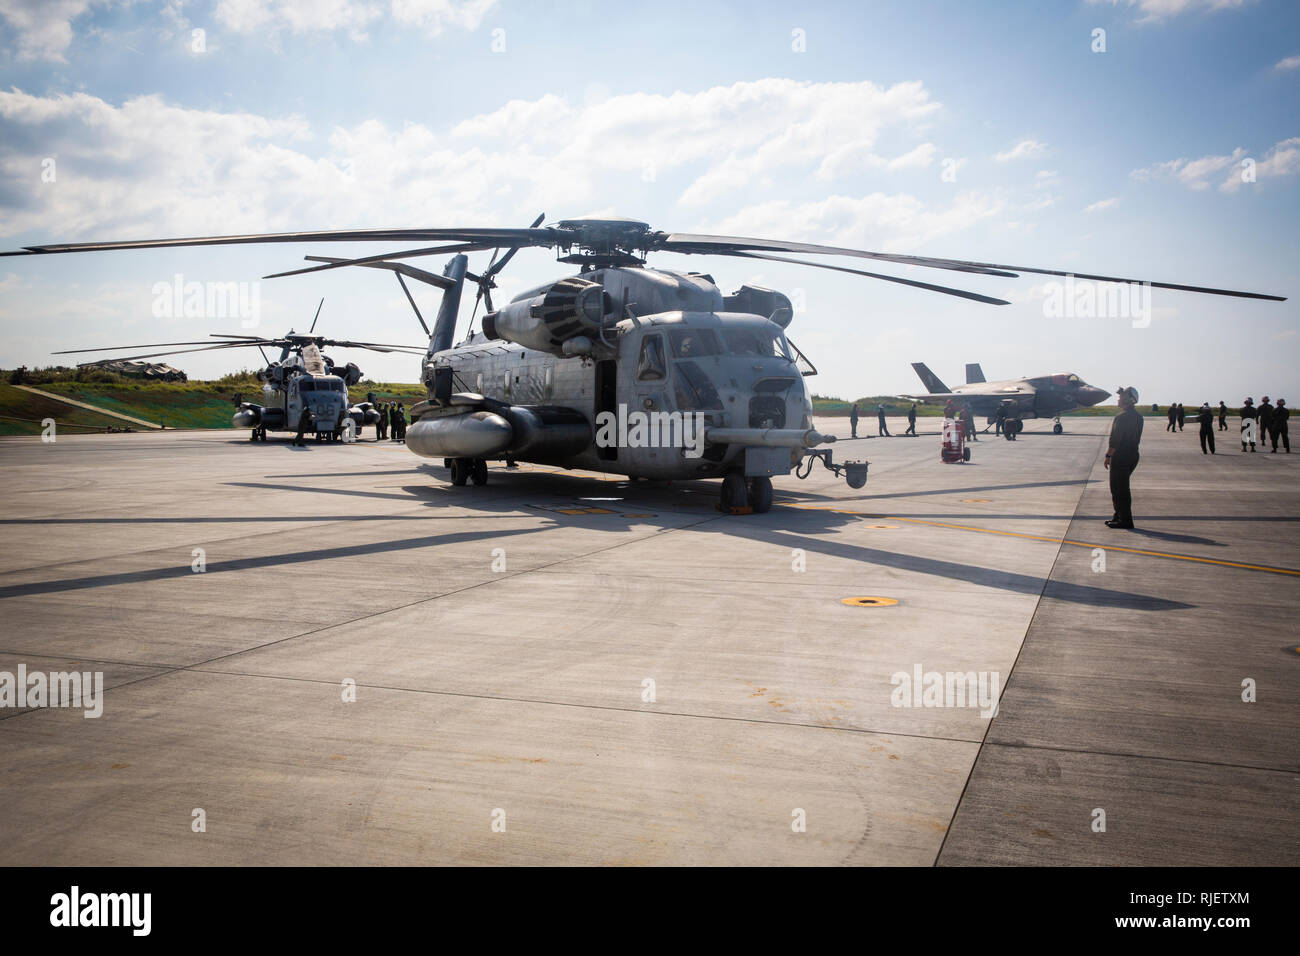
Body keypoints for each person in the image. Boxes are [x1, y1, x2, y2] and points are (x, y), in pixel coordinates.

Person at [1104, 386, 1143, 529]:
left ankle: (1125, 520)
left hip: (1121, 457)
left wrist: (1108, 455)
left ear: (1128, 400)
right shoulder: (1138, 417)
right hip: (1133, 455)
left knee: (1119, 489)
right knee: (1121, 488)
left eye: (1121, 397)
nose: (1119, 399)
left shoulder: (1121, 417)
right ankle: (1118, 516)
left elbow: (1115, 439)